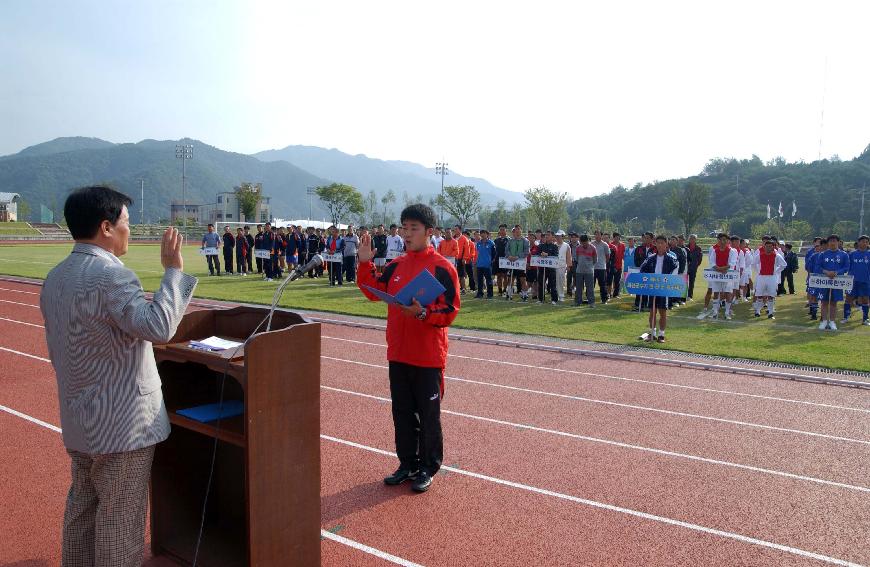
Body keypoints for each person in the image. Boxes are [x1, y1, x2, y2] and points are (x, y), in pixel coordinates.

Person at [41, 186, 196, 567]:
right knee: (119, 526)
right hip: (123, 428)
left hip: (80, 421)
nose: (131, 229)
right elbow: (159, 326)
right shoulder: (111, 275)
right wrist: (173, 271)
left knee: (82, 513)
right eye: (127, 222)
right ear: (106, 227)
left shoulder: (55, 278)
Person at [356, 204, 460, 493]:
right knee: (402, 413)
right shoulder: (395, 265)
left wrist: (423, 314)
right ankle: (408, 464)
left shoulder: (443, 267)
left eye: (414, 228)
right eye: (404, 228)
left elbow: (450, 310)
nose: (407, 233)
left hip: (427, 356)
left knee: (428, 416)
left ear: (429, 232)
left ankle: (427, 467)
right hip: (398, 353)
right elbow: (371, 290)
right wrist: (365, 263)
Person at [638, 235, 678, 342]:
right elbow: (642, 269)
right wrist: (648, 279)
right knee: (652, 311)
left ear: (666, 244)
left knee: (663, 312)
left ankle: (661, 335)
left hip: (664, 289)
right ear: (655, 244)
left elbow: (675, 271)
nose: (660, 245)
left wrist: (666, 281)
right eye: (658, 243)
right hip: (652, 288)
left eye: (662, 243)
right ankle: (652, 333)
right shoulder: (650, 257)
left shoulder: (672, 259)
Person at [698, 233, 737, 320]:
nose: (723, 242)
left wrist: (722, 269)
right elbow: (712, 262)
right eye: (721, 240)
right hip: (717, 275)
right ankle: (715, 312)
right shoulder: (715, 250)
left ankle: (727, 313)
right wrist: (719, 269)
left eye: (725, 240)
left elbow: (732, 263)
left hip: (727, 275)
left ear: (727, 241)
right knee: (716, 293)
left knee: (728, 293)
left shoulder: (732, 251)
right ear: (718, 240)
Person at [815, 234, 850, 330]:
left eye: (834, 241)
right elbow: (818, 266)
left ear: (838, 242)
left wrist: (836, 272)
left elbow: (846, 267)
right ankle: (824, 321)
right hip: (824, 281)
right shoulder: (823, 254)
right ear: (828, 243)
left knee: (834, 302)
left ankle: (832, 322)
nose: (832, 243)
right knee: (824, 302)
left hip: (837, 281)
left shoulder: (844, 255)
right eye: (830, 241)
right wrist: (826, 272)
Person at [751, 238, 786, 319]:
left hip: (772, 277)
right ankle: (757, 311)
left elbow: (784, 265)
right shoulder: (760, 255)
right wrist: (758, 271)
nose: (768, 248)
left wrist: (776, 271)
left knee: (771, 295)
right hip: (761, 277)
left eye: (770, 246)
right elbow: (753, 264)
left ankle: (770, 313)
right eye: (766, 246)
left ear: (773, 247)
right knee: (759, 295)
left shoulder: (776, 255)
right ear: (764, 247)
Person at [843, 235, 870, 325]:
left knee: (865, 300)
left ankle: (865, 319)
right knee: (848, 299)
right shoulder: (852, 254)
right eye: (863, 241)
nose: (864, 243)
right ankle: (846, 317)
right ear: (858, 243)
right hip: (852, 281)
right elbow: (847, 267)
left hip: (865, 281)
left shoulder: (869, 254)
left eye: (866, 242)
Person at [505, 225, 530, 301]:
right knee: (510, 279)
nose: (517, 231)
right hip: (511, 263)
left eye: (519, 229)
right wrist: (509, 256)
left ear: (521, 230)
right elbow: (506, 250)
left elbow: (526, 252)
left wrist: (517, 257)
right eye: (516, 229)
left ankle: (524, 295)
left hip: (521, 264)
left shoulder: (525, 241)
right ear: (514, 231)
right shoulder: (510, 240)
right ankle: (509, 294)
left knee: (523, 279)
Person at [573, 233, 597, 307]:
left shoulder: (593, 248)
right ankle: (577, 302)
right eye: (582, 243)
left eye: (585, 242)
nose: (583, 244)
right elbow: (577, 259)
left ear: (587, 241)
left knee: (590, 288)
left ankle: (591, 303)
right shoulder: (578, 248)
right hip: (579, 271)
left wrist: (589, 265)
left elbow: (595, 260)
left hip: (589, 271)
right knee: (579, 287)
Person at [536, 230, 559, 305]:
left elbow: (556, 255)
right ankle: (541, 299)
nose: (546, 236)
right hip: (542, 268)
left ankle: (554, 299)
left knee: (552, 284)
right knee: (541, 283)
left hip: (551, 268)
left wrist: (547, 254)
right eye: (546, 235)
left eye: (548, 235)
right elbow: (537, 254)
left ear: (552, 237)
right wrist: (541, 254)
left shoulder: (555, 246)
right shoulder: (541, 245)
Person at [475, 229, 496, 299]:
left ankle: (490, 294)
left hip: (487, 265)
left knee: (489, 280)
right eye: (481, 233)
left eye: (484, 233)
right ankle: (480, 293)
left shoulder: (491, 243)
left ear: (487, 234)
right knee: (480, 280)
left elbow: (494, 254)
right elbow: (477, 253)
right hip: (479, 264)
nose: (482, 235)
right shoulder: (478, 243)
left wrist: (491, 261)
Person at [591, 230, 611, 303]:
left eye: (598, 235)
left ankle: (604, 299)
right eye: (596, 235)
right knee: (591, 284)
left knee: (602, 284)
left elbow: (608, 256)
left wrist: (604, 263)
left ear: (601, 236)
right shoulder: (592, 244)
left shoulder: (605, 245)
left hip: (602, 267)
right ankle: (590, 299)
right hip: (592, 267)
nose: (597, 236)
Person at [554, 230, 572, 301]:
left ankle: (561, 295)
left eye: (559, 236)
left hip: (562, 266)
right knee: (554, 281)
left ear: (563, 237)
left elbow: (569, 257)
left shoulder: (566, 246)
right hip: (554, 266)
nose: (558, 237)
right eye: (557, 236)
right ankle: (555, 295)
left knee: (561, 281)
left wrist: (568, 266)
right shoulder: (554, 244)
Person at [686, 234, 703, 300]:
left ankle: (690, 296)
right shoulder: (685, 247)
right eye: (691, 238)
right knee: (684, 282)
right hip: (686, 267)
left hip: (693, 267)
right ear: (689, 239)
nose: (692, 240)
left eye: (693, 238)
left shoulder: (698, 248)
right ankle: (683, 295)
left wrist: (696, 265)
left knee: (691, 282)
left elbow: (700, 258)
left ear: (695, 240)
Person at [493, 224, 509, 296]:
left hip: (506, 260)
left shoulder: (509, 240)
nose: (502, 231)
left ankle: (505, 290)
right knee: (499, 276)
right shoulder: (496, 240)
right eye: (500, 229)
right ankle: (500, 290)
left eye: (503, 229)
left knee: (505, 276)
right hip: (497, 260)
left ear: (506, 230)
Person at [609, 232, 626, 299]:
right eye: (616, 237)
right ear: (613, 238)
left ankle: (616, 294)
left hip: (619, 266)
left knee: (617, 281)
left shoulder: (622, 245)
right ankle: (609, 293)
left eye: (618, 237)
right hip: (611, 266)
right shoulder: (610, 245)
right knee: (609, 280)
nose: (617, 238)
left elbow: (624, 255)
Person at [453, 226, 469, 293]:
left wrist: (464, 258)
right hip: (452, 259)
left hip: (460, 259)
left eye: (456, 229)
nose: (455, 230)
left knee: (461, 275)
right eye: (454, 229)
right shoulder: (453, 238)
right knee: (454, 274)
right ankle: (456, 288)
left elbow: (467, 249)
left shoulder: (464, 239)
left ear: (460, 230)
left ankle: (463, 289)